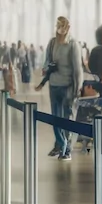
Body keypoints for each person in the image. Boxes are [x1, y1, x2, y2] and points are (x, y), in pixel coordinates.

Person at [35, 17, 84, 161]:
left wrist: (78, 88)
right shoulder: (52, 43)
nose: (61, 28)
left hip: (68, 86)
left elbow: (78, 69)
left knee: (67, 118)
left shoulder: (73, 45)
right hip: (54, 85)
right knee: (55, 118)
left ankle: (66, 149)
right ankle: (60, 144)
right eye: (59, 25)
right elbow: (47, 62)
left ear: (68, 27)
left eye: (64, 26)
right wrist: (45, 69)